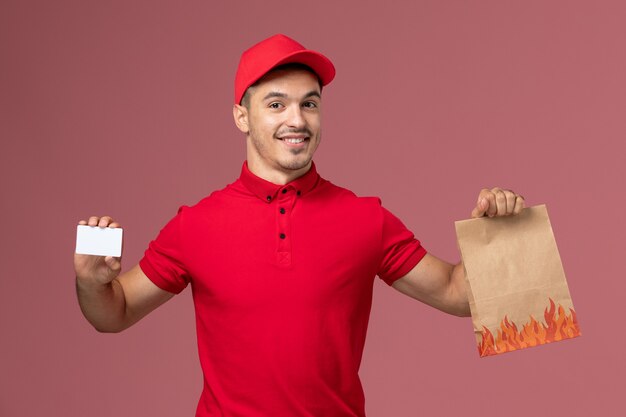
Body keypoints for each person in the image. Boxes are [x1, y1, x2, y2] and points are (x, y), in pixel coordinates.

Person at [75, 34, 525, 417]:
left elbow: (456, 293)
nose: (297, 120)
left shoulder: (365, 218)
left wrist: (496, 234)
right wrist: (91, 283)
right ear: (242, 117)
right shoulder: (195, 225)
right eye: (276, 104)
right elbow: (113, 314)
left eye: (309, 103)